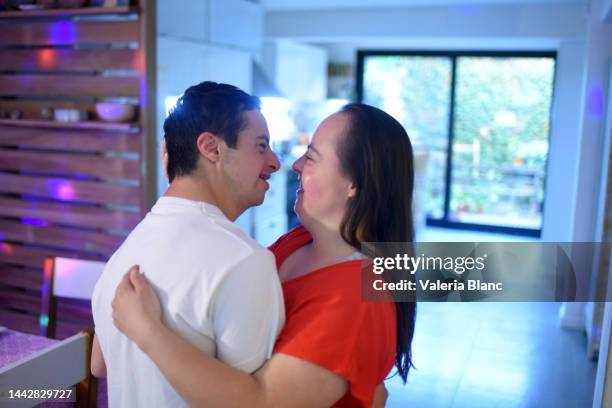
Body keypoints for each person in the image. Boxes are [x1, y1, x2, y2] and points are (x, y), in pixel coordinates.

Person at [111, 103, 418, 407]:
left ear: (354, 183)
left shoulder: (356, 297)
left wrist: (147, 331)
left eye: (311, 157)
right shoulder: (297, 242)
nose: (295, 165)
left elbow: (260, 401)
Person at [90, 82, 286, 407]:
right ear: (211, 148)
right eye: (261, 146)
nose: (276, 162)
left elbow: (100, 365)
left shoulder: (128, 249)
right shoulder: (244, 261)